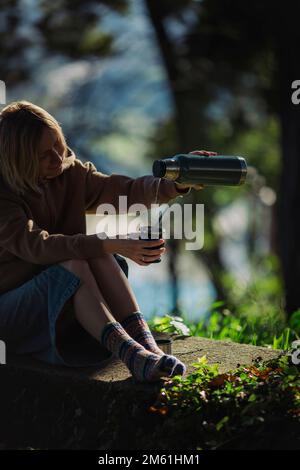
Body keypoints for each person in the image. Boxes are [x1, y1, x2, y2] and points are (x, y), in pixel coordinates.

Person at [0, 100, 214, 382]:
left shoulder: (70, 172)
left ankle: (147, 349)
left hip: (62, 299)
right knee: (80, 259)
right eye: (43, 155)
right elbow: (38, 246)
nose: (56, 157)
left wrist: (175, 183)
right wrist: (110, 243)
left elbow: (124, 190)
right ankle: (132, 355)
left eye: (57, 144)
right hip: (12, 315)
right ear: (19, 159)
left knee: (97, 255)